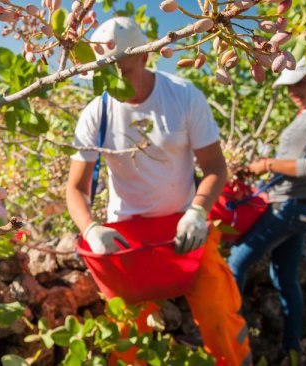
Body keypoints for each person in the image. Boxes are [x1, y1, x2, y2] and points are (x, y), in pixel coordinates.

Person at [66, 17, 252, 366]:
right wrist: (91, 230)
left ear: (145, 58)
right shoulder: (97, 112)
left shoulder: (182, 96)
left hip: (185, 226)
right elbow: (76, 188)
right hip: (128, 238)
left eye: (120, 70)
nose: (112, 81)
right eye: (103, 72)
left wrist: (197, 212)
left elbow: (214, 167)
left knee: (219, 313)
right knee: (126, 338)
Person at [227, 50, 306, 362]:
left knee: (235, 264)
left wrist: (266, 164)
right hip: (295, 205)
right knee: (284, 279)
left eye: (298, 83)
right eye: (289, 86)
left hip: (291, 207)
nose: (292, 92)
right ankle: (290, 351)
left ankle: (231, 346)